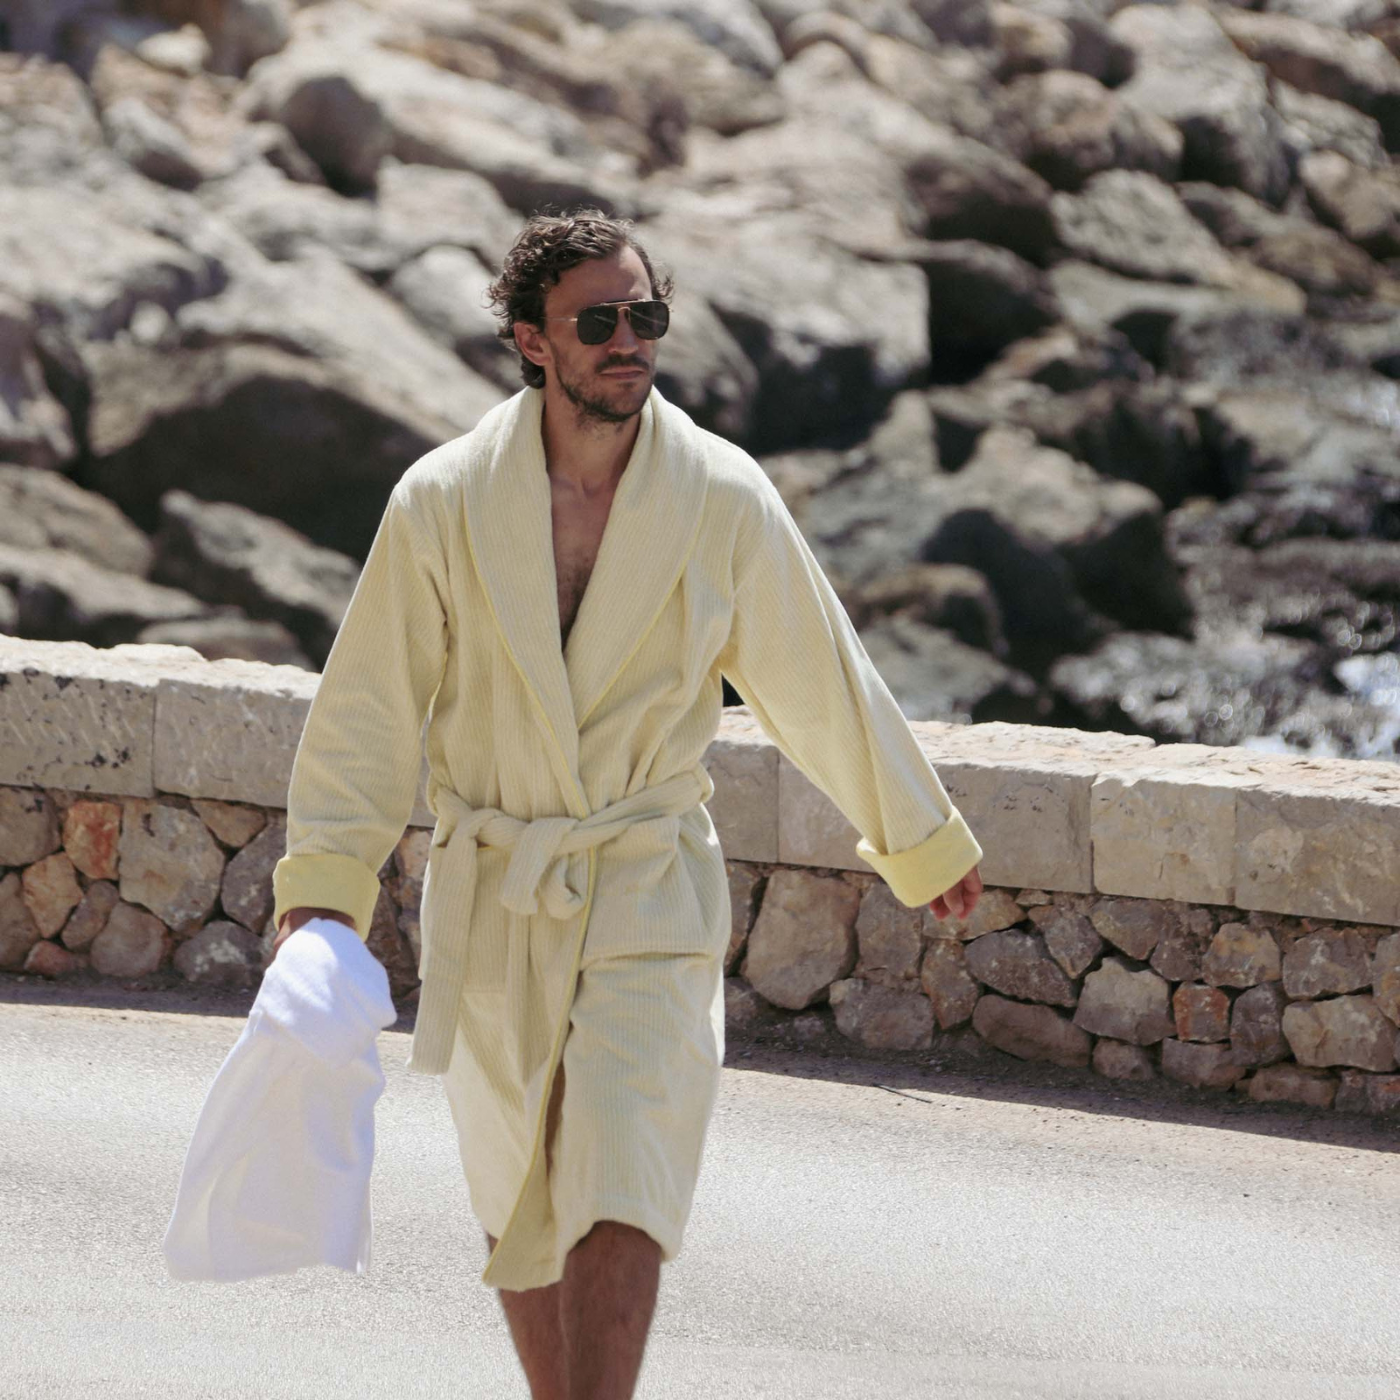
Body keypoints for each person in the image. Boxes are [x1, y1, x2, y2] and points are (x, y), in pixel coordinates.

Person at [270, 209, 985, 1400]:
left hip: (646, 876)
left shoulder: (718, 495)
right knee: (518, 1190)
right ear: (530, 340)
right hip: (499, 889)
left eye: (643, 314)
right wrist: (323, 891)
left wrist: (916, 833)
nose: (626, 339)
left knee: (622, 1165)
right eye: (595, 320)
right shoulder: (442, 500)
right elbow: (370, 707)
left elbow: (819, 674)